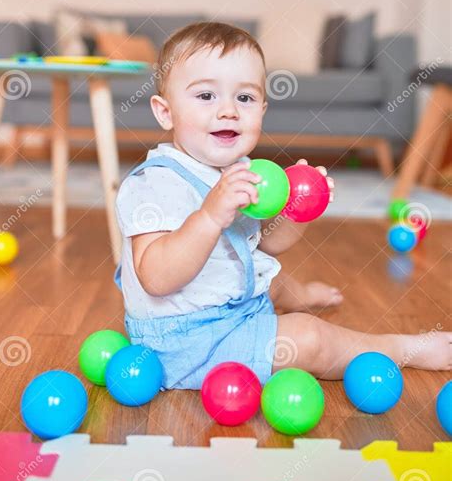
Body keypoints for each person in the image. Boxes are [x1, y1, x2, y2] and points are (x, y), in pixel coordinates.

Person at [115, 22, 451, 389]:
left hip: (234, 306)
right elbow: (157, 278)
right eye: (206, 96)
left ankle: (301, 295)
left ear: (262, 107)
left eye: (244, 98)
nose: (228, 110)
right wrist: (210, 216)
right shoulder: (156, 183)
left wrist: (298, 207)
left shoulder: (241, 169)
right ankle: (401, 349)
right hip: (186, 341)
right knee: (309, 338)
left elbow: (268, 242)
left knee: (265, 273)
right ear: (165, 113)